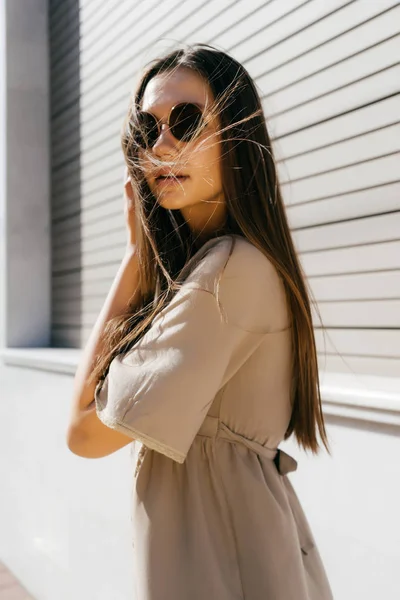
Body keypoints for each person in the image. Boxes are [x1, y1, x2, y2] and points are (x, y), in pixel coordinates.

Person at [67, 44, 334, 600]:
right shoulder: (217, 266)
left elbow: (84, 431)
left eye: (185, 122)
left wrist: (134, 254)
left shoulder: (229, 272)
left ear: (236, 134)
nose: (160, 146)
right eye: (147, 128)